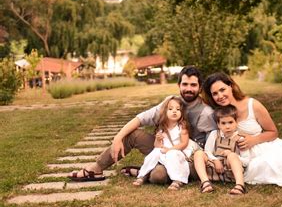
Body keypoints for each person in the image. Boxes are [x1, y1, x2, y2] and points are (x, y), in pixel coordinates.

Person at [68, 66, 216, 183]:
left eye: (193, 85)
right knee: (132, 135)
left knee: (159, 176)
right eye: (185, 84)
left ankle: (143, 172)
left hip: (187, 157)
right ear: (178, 85)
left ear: (200, 87)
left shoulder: (206, 112)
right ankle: (97, 168)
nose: (188, 89)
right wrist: (118, 137)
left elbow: (211, 146)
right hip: (162, 148)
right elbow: (141, 119)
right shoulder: (170, 103)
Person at [133, 96, 193, 190]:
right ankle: (143, 175)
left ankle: (177, 180)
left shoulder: (182, 127)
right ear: (165, 111)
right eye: (170, 109)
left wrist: (170, 149)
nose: (174, 111)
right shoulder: (162, 127)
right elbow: (157, 146)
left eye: (178, 109)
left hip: (177, 151)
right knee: (153, 153)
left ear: (182, 112)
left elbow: (184, 143)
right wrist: (157, 139)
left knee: (172, 155)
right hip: (164, 151)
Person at [194, 105, 249, 195]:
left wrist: (231, 155)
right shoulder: (214, 134)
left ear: (236, 122)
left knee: (232, 155)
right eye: (223, 123)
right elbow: (207, 151)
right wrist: (215, 160)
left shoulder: (240, 139)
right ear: (218, 125)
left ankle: (240, 185)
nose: (227, 126)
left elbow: (246, 161)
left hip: (230, 172)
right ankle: (205, 183)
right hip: (214, 170)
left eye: (230, 122)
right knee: (198, 153)